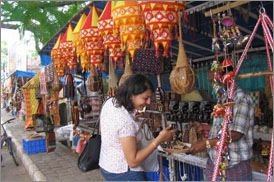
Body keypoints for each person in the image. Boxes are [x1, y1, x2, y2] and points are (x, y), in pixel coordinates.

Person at [99, 74, 177, 181]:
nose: (149, 102)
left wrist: (134, 121)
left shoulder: (110, 102)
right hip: (124, 173)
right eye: (145, 98)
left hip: (107, 166)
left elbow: (103, 129)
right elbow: (133, 161)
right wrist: (159, 140)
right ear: (131, 95)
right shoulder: (126, 121)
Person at [190, 66, 255, 181]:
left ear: (227, 77)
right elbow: (223, 127)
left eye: (215, 81)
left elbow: (236, 133)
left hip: (233, 168)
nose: (213, 85)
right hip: (214, 165)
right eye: (211, 81)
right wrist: (205, 127)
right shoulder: (223, 98)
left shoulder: (241, 98)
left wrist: (207, 143)